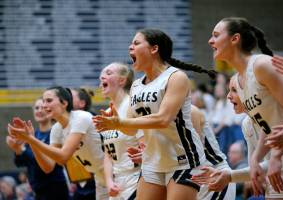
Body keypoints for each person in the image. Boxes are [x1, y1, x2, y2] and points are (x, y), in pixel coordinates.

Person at [93, 28, 216, 200]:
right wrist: (114, 123)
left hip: (183, 159)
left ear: (154, 49)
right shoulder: (136, 85)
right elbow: (130, 129)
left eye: (136, 43)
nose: (130, 47)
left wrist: (120, 123)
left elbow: (163, 119)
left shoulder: (176, 77)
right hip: (152, 160)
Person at [208, 17, 283, 198]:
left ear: (235, 39)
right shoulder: (239, 79)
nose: (210, 41)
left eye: (216, 35)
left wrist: (275, 157)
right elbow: (265, 123)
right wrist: (256, 158)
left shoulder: (261, 65)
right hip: (282, 161)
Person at [192, 75, 283, 199]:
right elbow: (254, 168)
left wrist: (229, 176)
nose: (228, 96)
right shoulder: (247, 123)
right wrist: (224, 175)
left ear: (251, 92)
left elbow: (281, 162)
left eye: (234, 90)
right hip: (274, 187)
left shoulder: (275, 115)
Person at [8, 86, 108, 200]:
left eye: (49, 101)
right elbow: (48, 167)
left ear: (64, 103)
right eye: (44, 101)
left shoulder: (80, 118)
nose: (44, 105)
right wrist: (31, 141)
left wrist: (31, 139)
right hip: (99, 178)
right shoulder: (56, 129)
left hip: (116, 171)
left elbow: (63, 156)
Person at [6, 98, 69, 200]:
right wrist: (16, 148)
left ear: (49, 110)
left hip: (55, 189)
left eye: (43, 108)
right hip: (37, 190)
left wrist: (23, 149)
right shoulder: (33, 134)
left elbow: (44, 165)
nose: (39, 110)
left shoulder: (55, 132)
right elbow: (20, 163)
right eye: (36, 108)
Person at [99, 62, 144, 199]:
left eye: (108, 73)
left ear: (122, 80)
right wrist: (109, 181)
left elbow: (146, 145)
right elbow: (108, 155)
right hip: (117, 182)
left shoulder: (134, 105)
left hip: (137, 176)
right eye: (102, 74)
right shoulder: (107, 113)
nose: (102, 77)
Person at [71, 88, 97, 200]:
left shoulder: (91, 119)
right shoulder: (65, 124)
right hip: (80, 181)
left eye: (70, 97)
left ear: (82, 103)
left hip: (97, 180)